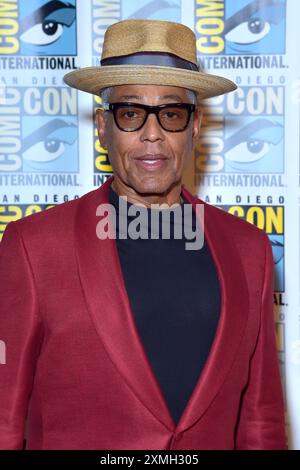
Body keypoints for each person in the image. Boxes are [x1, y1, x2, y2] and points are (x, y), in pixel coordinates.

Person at [0, 19, 286, 450]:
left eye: (170, 114)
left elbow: (261, 419)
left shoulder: (250, 250)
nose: (152, 135)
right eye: (130, 114)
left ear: (193, 127)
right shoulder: (33, 247)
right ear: (102, 127)